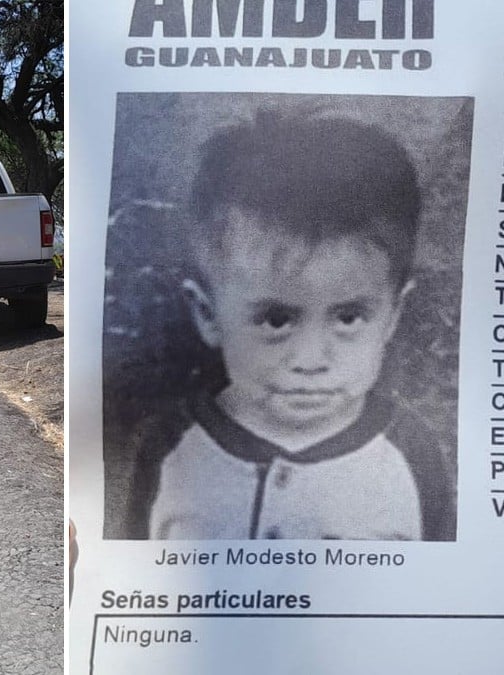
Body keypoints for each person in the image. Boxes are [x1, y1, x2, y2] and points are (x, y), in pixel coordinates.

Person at [140, 111, 454, 540]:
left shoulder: (410, 455)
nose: (310, 361)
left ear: (392, 315)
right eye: (276, 319)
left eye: (348, 317)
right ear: (208, 314)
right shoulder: (172, 447)